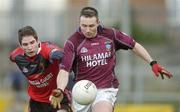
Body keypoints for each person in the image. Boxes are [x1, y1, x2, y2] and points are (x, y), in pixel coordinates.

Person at [53, 7, 173, 112]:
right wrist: (60, 89)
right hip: (82, 91)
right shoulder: (72, 42)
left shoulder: (111, 34)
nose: (87, 30)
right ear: (79, 23)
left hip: (105, 90)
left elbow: (134, 45)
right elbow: (64, 71)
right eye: (84, 26)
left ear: (98, 22)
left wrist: (152, 63)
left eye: (91, 26)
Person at [9, 26, 72, 112]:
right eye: (25, 44)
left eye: (32, 42)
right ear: (20, 45)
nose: (30, 47)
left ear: (38, 40)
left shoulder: (46, 49)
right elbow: (12, 57)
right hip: (37, 102)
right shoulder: (15, 56)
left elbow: (55, 52)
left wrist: (58, 55)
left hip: (58, 96)